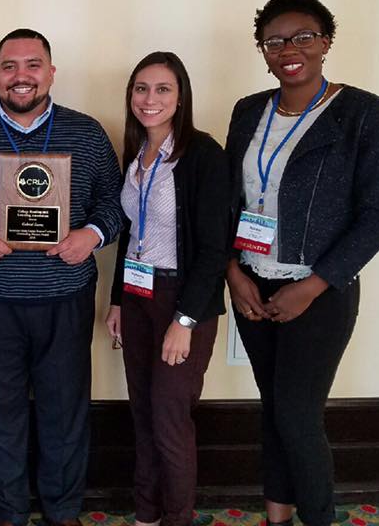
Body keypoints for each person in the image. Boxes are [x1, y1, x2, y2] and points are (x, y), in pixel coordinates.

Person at [0, 29, 124, 526]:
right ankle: (10, 513)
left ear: (51, 72)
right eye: (10, 66)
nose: (22, 76)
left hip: (66, 295)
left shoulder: (87, 132)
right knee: (0, 413)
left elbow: (115, 203)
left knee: (65, 412)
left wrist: (94, 235)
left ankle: (63, 512)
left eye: (33, 64)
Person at [224, 0, 379, 526]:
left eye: (303, 37)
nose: (288, 50)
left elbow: (376, 217)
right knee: (273, 411)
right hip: (253, 284)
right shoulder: (249, 110)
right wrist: (233, 274)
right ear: (263, 50)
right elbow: (229, 201)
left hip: (319, 291)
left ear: (325, 42)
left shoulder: (364, 113)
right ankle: (276, 518)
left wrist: (313, 285)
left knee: (298, 416)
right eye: (273, 41)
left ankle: (319, 518)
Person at [103, 52, 230, 526]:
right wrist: (117, 299)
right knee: (142, 415)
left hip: (182, 301)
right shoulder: (136, 155)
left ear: (181, 97)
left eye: (162, 89)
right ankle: (145, 515)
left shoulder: (203, 155)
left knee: (170, 421)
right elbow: (130, 233)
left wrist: (186, 321)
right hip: (137, 298)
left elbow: (215, 249)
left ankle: (177, 518)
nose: (149, 99)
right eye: (141, 88)